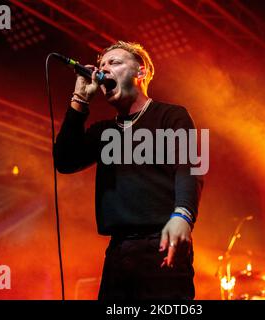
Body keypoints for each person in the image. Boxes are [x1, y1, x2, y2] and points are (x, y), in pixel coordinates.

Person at [54, 41, 204, 300]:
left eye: (114, 63)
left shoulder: (171, 116)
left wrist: (183, 215)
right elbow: (65, 160)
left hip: (161, 244)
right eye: (101, 66)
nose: (104, 70)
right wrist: (79, 99)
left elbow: (189, 167)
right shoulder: (103, 132)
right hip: (118, 252)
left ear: (141, 72)